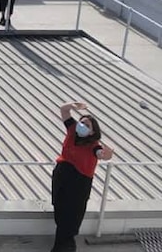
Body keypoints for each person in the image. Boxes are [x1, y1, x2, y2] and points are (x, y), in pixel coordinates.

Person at [50, 102, 114, 252]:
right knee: (59, 211)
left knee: (71, 217)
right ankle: (63, 245)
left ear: (92, 132)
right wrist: (72, 105)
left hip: (78, 183)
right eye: (81, 122)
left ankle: (64, 247)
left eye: (86, 125)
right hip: (61, 175)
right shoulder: (72, 130)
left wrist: (107, 154)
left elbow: (101, 154)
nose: (81, 125)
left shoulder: (94, 145)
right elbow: (64, 110)